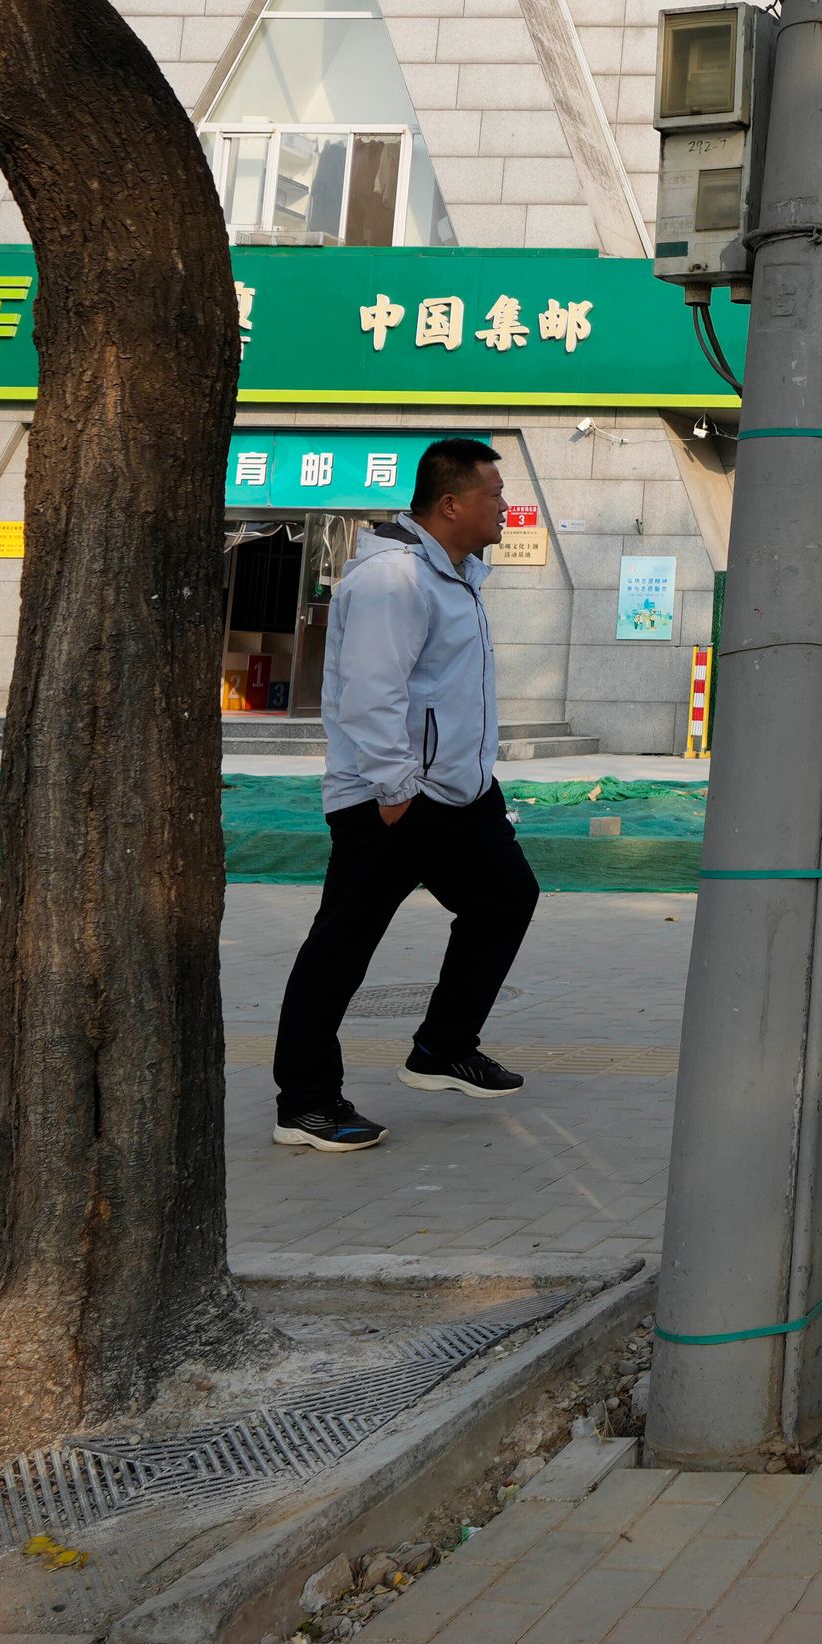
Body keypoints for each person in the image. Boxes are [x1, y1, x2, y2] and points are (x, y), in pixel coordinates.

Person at [271, 436, 539, 1151]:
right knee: (342, 948)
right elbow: (371, 690)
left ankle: (442, 1048)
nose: (505, 506)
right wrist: (393, 789)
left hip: (458, 792)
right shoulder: (395, 578)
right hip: (393, 797)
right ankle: (305, 1102)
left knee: (506, 897)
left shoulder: (456, 570)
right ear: (450, 505)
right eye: (493, 494)